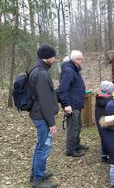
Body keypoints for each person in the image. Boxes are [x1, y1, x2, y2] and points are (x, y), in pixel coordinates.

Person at [29, 44, 59, 188]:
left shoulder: (38, 69)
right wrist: (51, 123)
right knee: (44, 147)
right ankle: (38, 180)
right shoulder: (41, 74)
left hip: (39, 114)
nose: (54, 59)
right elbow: (45, 101)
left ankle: (36, 173)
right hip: (41, 116)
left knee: (40, 145)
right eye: (53, 57)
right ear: (47, 57)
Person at [57, 50, 88, 157]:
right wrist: (66, 105)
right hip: (71, 104)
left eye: (82, 58)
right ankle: (70, 150)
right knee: (73, 127)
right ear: (74, 60)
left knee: (77, 125)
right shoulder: (69, 70)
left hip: (76, 103)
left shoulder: (74, 69)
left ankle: (76, 145)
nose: (82, 60)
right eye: (80, 58)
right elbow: (62, 89)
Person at [95, 80, 114, 162]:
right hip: (107, 121)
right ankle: (110, 156)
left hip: (99, 121)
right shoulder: (110, 100)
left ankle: (104, 155)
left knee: (103, 137)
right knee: (110, 138)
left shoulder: (98, 98)